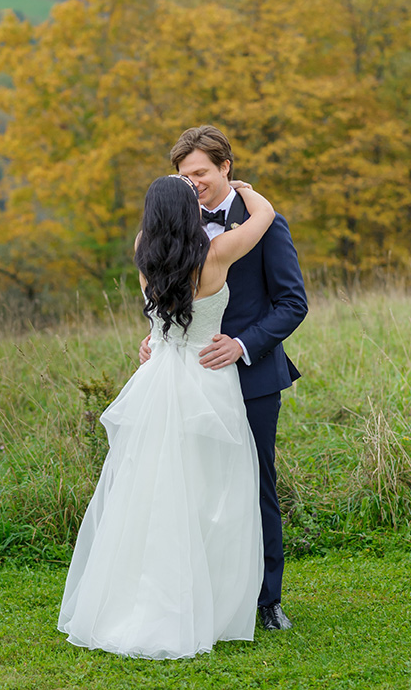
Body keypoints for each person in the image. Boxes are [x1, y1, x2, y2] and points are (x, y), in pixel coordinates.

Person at [58, 173, 277, 659]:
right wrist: (243, 189)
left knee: (151, 489)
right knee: (212, 492)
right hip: (206, 381)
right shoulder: (216, 254)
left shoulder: (143, 253)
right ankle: (210, 605)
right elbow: (265, 217)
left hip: (158, 380)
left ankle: (145, 596)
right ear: (189, 212)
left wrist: (155, 341)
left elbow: (160, 323)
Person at [140, 126, 308, 631]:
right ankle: (206, 592)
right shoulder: (170, 233)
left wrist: (241, 346)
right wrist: (155, 336)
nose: (193, 184)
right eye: (184, 175)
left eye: (201, 173)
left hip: (250, 378)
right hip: (184, 376)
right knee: (193, 488)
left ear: (225, 167)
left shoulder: (264, 226)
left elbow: (292, 304)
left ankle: (265, 601)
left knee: (255, 489)